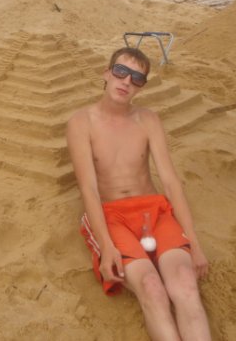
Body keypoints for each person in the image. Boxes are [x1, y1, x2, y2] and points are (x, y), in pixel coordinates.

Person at [67, 47, 211, 340]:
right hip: (112, 215)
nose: (126, 81)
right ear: (107, 73)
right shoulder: (81, 122)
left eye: (137, 78)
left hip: (154, 212)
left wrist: (194, 242)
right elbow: (89, 189)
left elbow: (170, 182)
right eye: (121, 71)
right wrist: (106, 246)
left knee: (185, 282)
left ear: (142, 86)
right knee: (151, 287)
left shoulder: (148, 119)